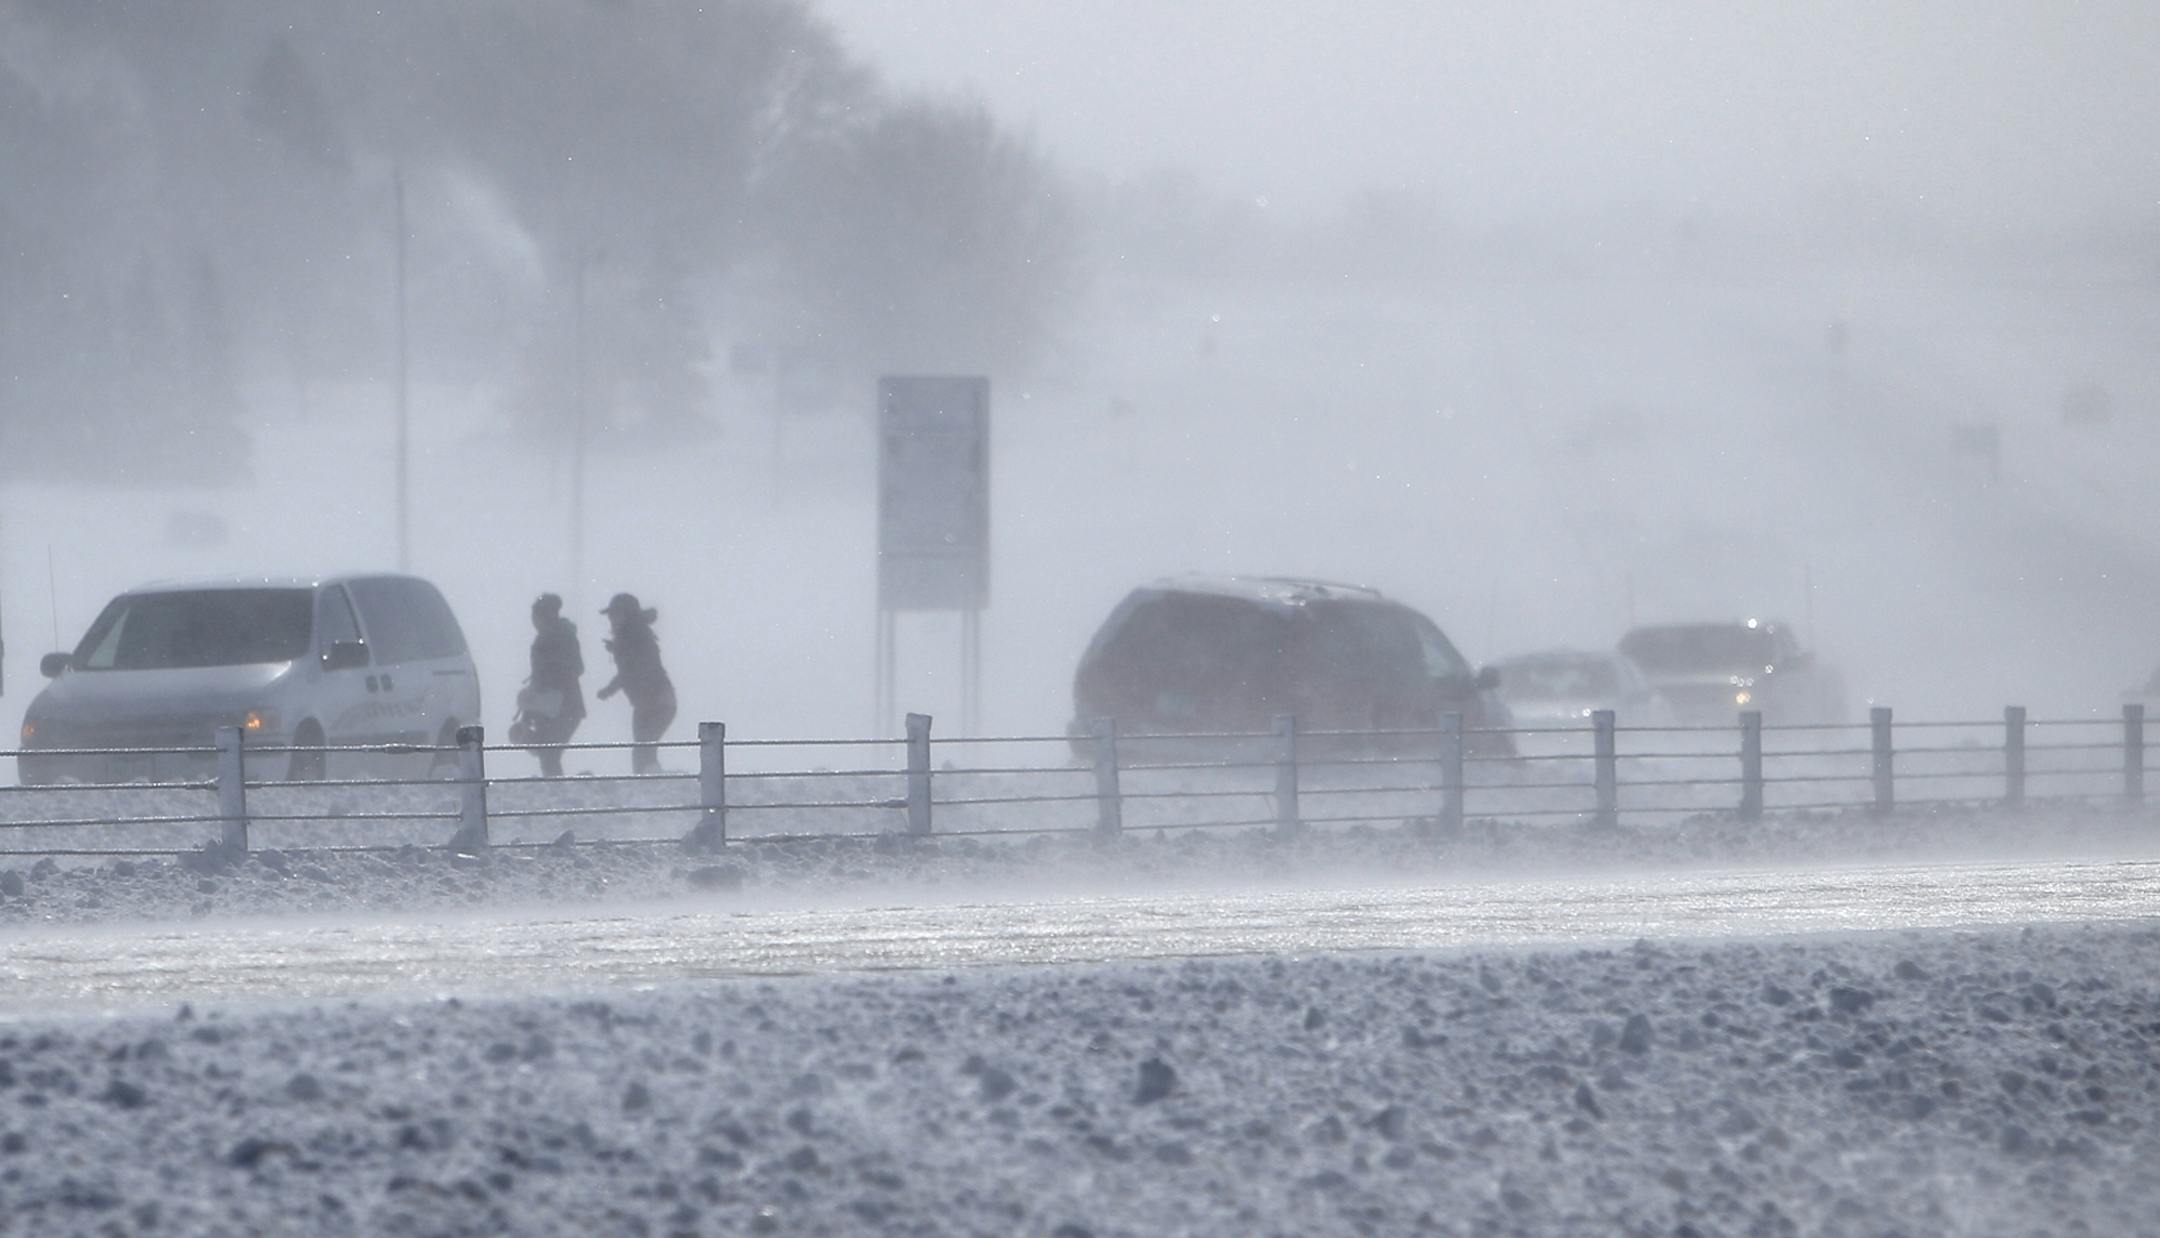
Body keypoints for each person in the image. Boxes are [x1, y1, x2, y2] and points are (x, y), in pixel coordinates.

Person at [596, 591, 677, 774]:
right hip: (651, 702)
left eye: (614, 614)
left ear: (626, 614)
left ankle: (649, 784)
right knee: (643, 749)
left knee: (643, 748)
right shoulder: (633, 636)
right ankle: (648, 783)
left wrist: (609, 690)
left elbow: (631, 670)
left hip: (655, 701)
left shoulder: (632, 637)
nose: (611, 619)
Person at [512, 593, 586, 777]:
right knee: (547, 752)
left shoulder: (553, 638)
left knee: (548, 754)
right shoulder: (558, 636)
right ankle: (556, 790)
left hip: (562, 706)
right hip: (559, 706)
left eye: (536, 616)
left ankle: (557, 792)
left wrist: (547, 683)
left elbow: (574, 668)